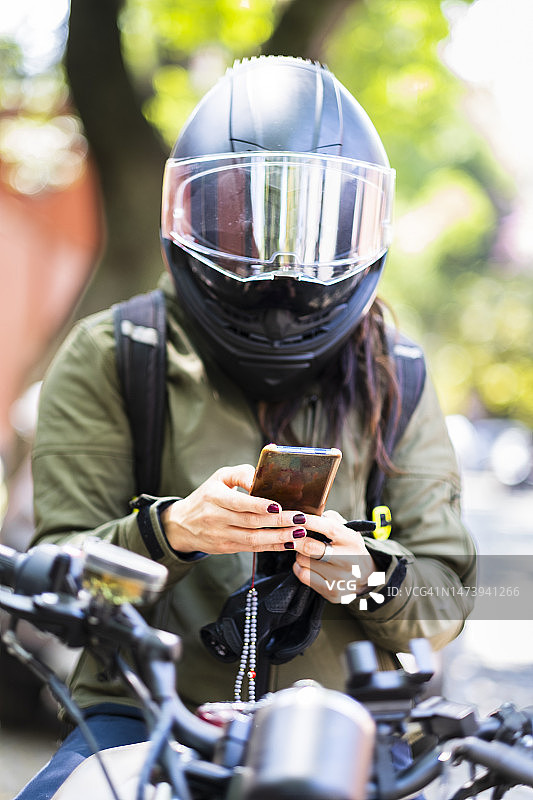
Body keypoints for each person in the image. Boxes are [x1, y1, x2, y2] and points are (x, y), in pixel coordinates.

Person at [16, 56, 476, 799]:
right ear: (191, 213)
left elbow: (448, 602)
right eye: (249, 224)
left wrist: (360, 573)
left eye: (313, 228)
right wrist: (173, 533)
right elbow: (65, 593)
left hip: (349, 725)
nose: (281, 273)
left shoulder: (398, 371)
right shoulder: (115, 353)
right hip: (145, 718)